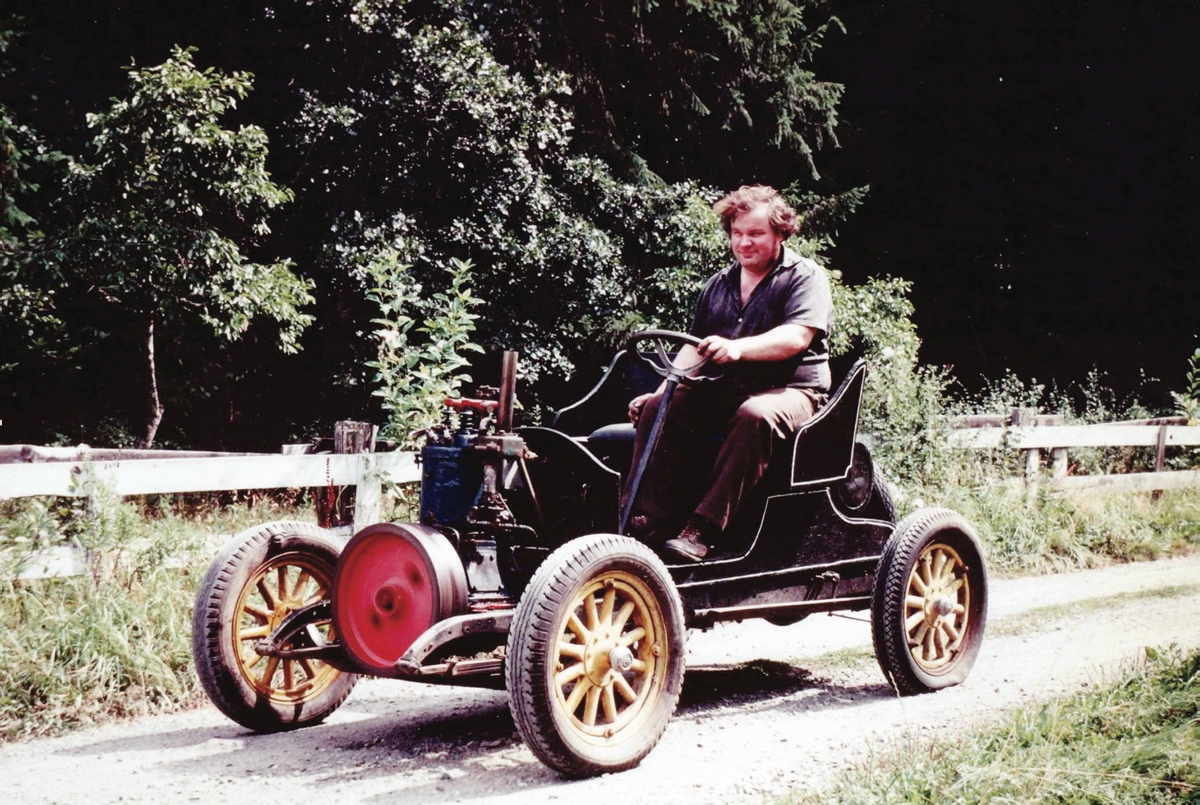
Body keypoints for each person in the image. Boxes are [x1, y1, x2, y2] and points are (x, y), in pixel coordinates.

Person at [624, 185, 834, 562]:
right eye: (737, 233)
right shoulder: (718, 284)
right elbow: (694, 345)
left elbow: (797, 336)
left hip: (793, 390)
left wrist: (738, 348)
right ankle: (647, 522)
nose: (744, 242)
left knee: (756, 415)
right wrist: (663, 390)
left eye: (755, 234)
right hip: (727, 389)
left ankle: (702, 529)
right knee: (658, 409)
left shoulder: (806, 276)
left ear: (780, 233)